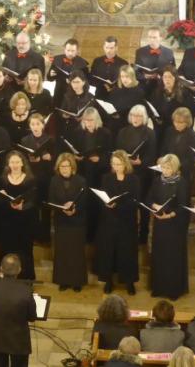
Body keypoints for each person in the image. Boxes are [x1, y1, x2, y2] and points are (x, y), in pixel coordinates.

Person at [95, 150, 141, 295]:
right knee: (109, 251)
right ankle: (108, 281)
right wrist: (107, 204)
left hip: (127, 221)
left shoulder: (133, 179)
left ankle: (129, 282)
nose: (116, 167)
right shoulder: (106, 178)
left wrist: (119, 206)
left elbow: (135, 201)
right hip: (110, 220)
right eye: (114, 164)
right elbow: (103, 197)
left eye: (119, 164)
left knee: (127, 252)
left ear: (125, 164)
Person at [0, 254, 37, 367]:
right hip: (17, 337)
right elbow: (32, 317)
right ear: (19, 270)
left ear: (1, 269)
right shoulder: (25, 290)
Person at [66, 108, 113, 241]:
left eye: (91, 120)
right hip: (83, 173)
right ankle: (84, 233)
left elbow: (110, 154)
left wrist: (100, 159)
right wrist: (77, 157)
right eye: (86, 120)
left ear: (97, 120)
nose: (88, 123)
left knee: (96, 204)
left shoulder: (105, 133)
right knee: (82, 202)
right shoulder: (78, 133)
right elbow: (74, 150)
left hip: (99, 174)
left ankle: (96, 234)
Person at [147, 154, 190, 300]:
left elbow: (183, 205)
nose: (164, 170)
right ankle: (158, 287)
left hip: (174, 224)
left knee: (173, 257)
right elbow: (149, 198)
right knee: (159, 255)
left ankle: (174, 289)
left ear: (175, 168)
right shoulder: (157, 181)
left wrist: (170, 215)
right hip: (160, 222)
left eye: (168, 168)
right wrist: (155, 206)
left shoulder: (181, 182)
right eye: (163, 167)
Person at [116, 105, 157, 244]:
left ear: (144, 118)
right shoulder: (122, 132)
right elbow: (118, 152)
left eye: (139, 116)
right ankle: (126, 231)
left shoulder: (150, 133)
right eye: (133, 115)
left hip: (143, 174)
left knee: (143, 204)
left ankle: (143, 234)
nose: (136, 118)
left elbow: (152, 155)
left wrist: (141, 162)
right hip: (126, 173)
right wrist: (125, 161)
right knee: (126, 203)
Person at [0, 151, 38, 280]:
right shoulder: (2, 179)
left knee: (24, 250)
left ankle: (25, 279)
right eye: (12, 162)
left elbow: (35, 201)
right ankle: (5, 277)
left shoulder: (30, 180)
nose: (15, 165)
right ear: (8, 164)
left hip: (24, 221)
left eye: (17, 162)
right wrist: (2, 197)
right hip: (7, 221)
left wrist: (23, 206)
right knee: (6, 249)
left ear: (22, 163)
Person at [49, 153, 88, 291]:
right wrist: (63, 209)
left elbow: (85, 201)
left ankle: (77, 282)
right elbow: (51, 200)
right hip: (61, 220)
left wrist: (74, 207)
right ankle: (63, 280)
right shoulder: (54, 181)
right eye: (61, 166)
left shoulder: (81, 181)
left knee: (76, 252)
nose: (64, 169)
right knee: (62, 252)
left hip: (77, 221)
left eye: (67, 166)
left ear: (72, 167)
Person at [19, 113, 55, 243]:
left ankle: (45, 237)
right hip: (31, 179)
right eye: (33, 124)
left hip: (45, 178)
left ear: (43, 125)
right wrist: (29, 159)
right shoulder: (25, 140)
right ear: (29, 126)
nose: (35, 127)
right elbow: (22, 160)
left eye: (38, 124)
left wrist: (48, 158)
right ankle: (32, 235)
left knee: (45, 208)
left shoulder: (50, 140)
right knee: (32, 207)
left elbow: (55, 160)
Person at [160, 108, 195, 187]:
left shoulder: (193, 137)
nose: (177, 124)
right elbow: (163, 148)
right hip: (167, 170)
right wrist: (161, 158)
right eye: (175, 121)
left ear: (187, 122)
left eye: (180, 122)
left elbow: (192, 159)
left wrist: (175, 167)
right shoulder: (169, 131)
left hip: (183, 173)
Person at [134, 27, 175, 96]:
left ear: (160, 38)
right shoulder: (140, 52)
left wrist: (163, 77)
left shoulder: (168, 52)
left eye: (154, 37)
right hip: (145, 85)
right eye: (150, 37)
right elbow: (136, 70)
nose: (151, 40)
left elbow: (173, 70)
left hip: (162, 85)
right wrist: (144, 76)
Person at [48, 38, 89, 105]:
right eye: (68, 50)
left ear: (77, 51)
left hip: (74, 95)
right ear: (64, 49)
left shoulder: (83, 63)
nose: (70, 53)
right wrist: (51, 74)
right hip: (59, 93)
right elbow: (49, 78)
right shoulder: (57, 59)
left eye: (73, 51)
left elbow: (86, 82)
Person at [149, 66, 188, 133]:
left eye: (170, 77)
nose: (167, 80)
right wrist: (156, 119)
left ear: (175, 78)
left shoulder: (183, 93)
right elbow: (152, 110)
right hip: (160, 126)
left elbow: (186, 113)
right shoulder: (157, 92)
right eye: (165, 77)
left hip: (175, 128)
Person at [89, 36, 129, 100]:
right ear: (103, 47)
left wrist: (114, 87)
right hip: (99, 94)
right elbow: (91, 78)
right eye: (107, 47)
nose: (108, 50)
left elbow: (126, 81)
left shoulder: (123, 63)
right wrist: (103, 84)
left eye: (111, 48)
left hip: (117, 95)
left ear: (116, 48)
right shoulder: (97, 61)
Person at [107, 65, 143, 134]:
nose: (124, 79)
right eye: (122, 76)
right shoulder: (115, 91)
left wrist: (120, 114)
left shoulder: (138, 92)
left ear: (132, 77)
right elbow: (110, 106)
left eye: (127, 76)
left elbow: (136, 111)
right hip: (114, 125)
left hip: (129, 126)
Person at [57, 70, 95, 135]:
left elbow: (93, 114)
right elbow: (61, 110)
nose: (75, 85)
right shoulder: (67, 96)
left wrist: (84, 117)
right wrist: (64, 115)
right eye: (73, 82)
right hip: (70, 126)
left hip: (85, 128)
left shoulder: (90, 97)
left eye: (78, 82)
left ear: (83, 82)